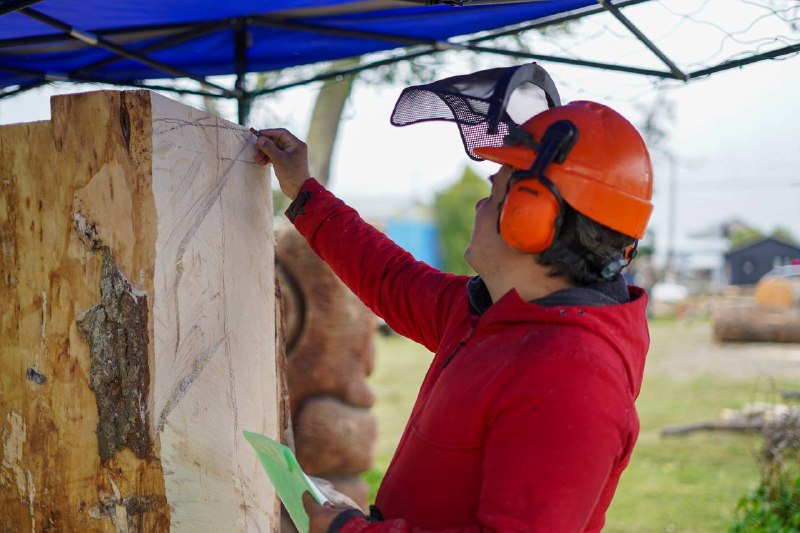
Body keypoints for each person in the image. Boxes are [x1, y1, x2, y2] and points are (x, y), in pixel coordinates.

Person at [254, 99, 653, 532]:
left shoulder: (574, 377)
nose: (480, 206)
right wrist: (305, 191)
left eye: (493, 192)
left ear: (529, 218)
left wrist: (346, 529)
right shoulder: (496, 315)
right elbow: (391, 278)